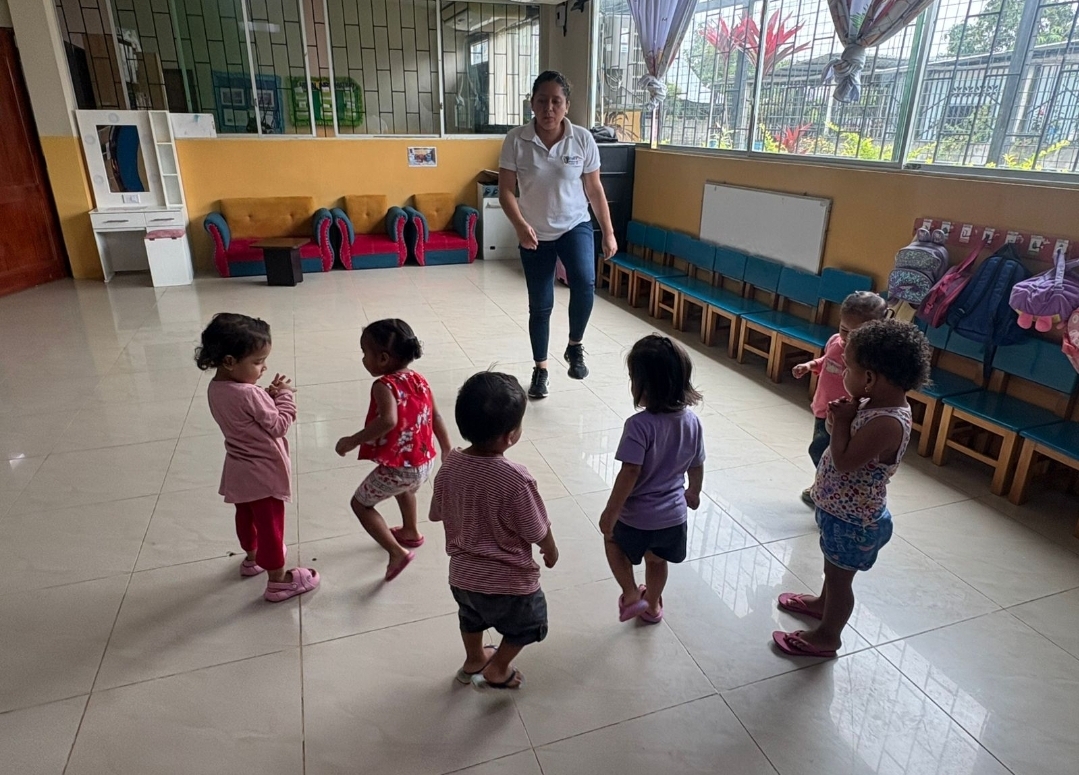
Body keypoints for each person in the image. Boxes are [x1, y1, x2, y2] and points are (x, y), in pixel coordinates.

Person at [773, 319, 931, 658]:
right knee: (832, 569)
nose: (843, 375)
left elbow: (844, 460)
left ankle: (828, 636)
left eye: (848, 369)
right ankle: (822, 603)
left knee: (840, 580)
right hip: (841, 512)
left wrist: (843, 421)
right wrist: (839, 420)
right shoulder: (873, 403)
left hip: (855, 521)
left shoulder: (887, 422)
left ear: (870, 377)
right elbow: (841, 440)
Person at [430, 372, 559, 690]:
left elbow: (436, 513)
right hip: (509, 583)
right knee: (529, 624)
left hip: (463, 577)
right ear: (510, 436)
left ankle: (475, 659)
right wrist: (550, 547)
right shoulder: (515, 479)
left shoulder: (449, 466)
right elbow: (535, 528)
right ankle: (498, 668)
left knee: (471, 618)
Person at [498, 70, 618, 400]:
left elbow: (594, 189)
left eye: (556, 101)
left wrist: (608, 233)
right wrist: (520, 226)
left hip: (574, 225)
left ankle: (574, 346)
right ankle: (541, 369)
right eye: (541, 101)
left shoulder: (582, 139)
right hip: (533, 233)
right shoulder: (516, 140)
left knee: (584, 281)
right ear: (531, 104)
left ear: (567, 105)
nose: (548, 108)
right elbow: (506, 190)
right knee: (540, 306)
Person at [197, 313, 319, 602]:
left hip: (237, 470)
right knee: (271, 528)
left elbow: (244, 412)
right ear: (229, 361)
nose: (264, 368)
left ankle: (252, 559)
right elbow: (278, 425)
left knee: (246, 516)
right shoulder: (250, 394)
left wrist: (266, 396)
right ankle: (278, 580)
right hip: (263, 473)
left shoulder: (216, 388)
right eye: (257, 362)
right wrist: (284, 396)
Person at [599, 335, 705, 624]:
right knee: (657, 561)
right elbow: (697, 463)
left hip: (636, 517)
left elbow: (630, 472)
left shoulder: (638, 426)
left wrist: (612, 512)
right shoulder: (692, 422)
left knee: (613, 542)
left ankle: (631, 594)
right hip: (672, 517)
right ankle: (653, 605)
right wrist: (694, 492)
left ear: (645, 386)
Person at [335, 319, 451, 582]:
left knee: (360, 504)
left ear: (383, 358)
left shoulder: (384, 385)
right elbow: (436, 415)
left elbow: (388, 420)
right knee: (405, 490)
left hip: (400, 468)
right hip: (424, 462)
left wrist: (352, 441)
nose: (363, 359)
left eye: (365, 353)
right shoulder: (419, 379)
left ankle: (396, 552)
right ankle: (411, 531)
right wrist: (446, 448)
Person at [792, 291, 887, 507]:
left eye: (857, 333)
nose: (848, 338)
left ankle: (830, 490)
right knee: (820, 452)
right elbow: (827, 361)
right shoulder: (835, 342)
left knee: (828, 453)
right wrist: (810, 365)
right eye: (844, 329)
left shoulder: (868, 358)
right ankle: (824, 486)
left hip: (845, 418)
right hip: (823, 408)